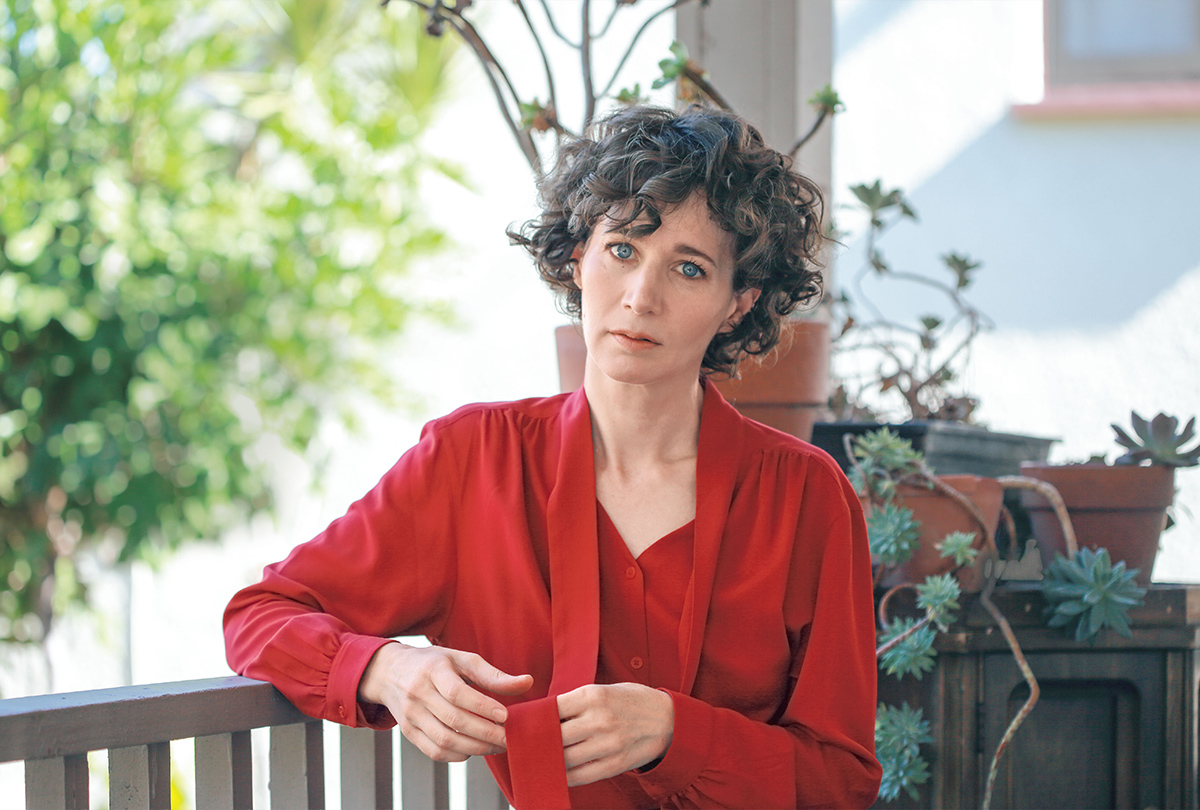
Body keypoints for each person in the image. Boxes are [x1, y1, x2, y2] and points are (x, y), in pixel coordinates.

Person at [224, 105, 882, 809]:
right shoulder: (472, 462)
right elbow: (262, 615)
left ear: (738, 303)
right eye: (622, 250)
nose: (641, 298)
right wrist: (385, 668)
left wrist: (675, 734)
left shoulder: (805, 495)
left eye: (689, 269)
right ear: (577, 259)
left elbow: (840, 779)